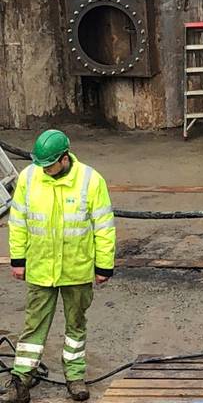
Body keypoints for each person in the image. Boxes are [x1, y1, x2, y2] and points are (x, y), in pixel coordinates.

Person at [3, 130, 116, 403]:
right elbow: (17, 222)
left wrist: (104, 265)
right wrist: (18, 260)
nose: (44, 170)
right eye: (40, 165)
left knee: (75, 326)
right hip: (41, 269)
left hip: (76, 270)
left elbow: (103, 228)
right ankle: (21, 379)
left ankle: (75, 377)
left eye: (49, 165)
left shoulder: (90, 181)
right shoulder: (30, 177)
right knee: (33, 327)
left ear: (64, 159)